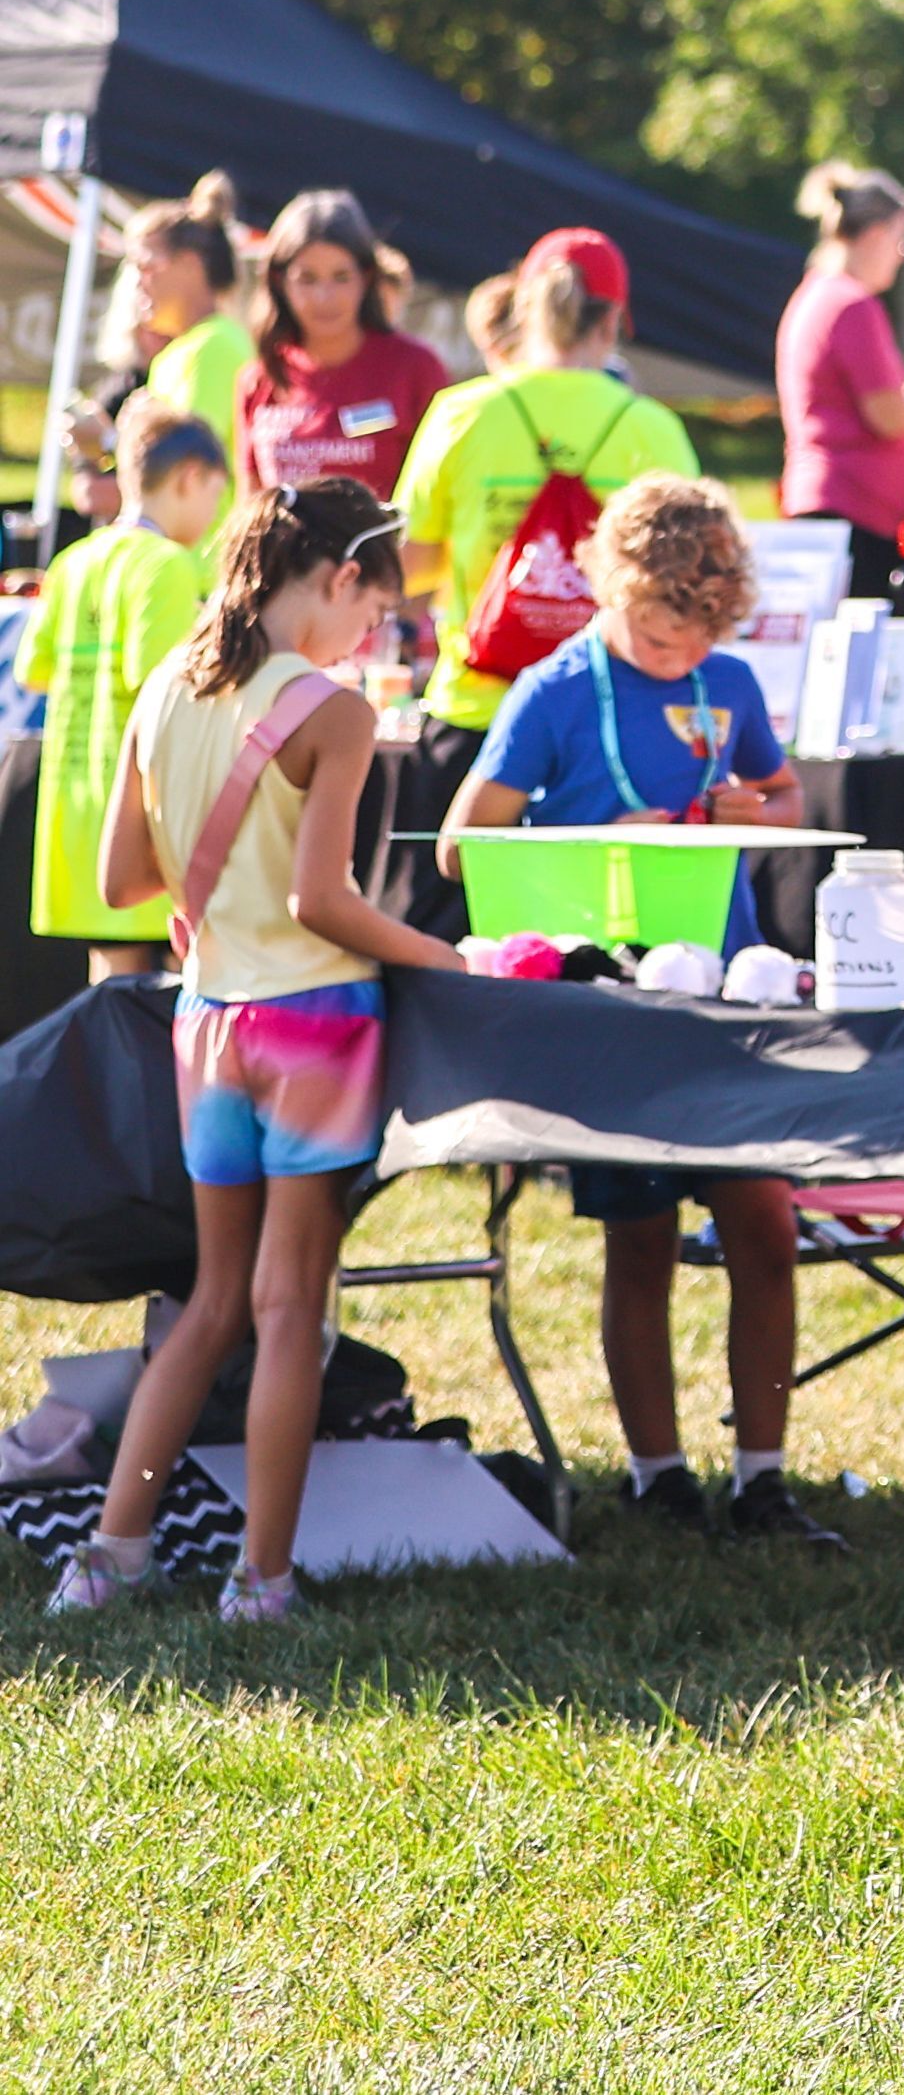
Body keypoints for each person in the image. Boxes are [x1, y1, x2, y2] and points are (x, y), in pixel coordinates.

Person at [52, 477, 468, 1622]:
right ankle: (261, 1576)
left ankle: (111, 1550)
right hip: (315, 1024)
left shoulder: (168, 688)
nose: (370, 640)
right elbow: (325, 899)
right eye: (376, 615)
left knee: (210, 1304)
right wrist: (442, 960)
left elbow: (120, 885)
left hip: (209, 1019)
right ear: (341, 580)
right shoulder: (331, 709)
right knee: (291, 1307)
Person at [448, 475, 844, 1551]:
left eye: (701, 635)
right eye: (667, 630)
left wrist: (749, 809)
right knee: (641, 1236)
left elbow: (788, 797)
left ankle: (762, 1477)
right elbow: (458, 843)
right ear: (618, 583)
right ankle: (656, 1471)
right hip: (612, 1008)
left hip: (726, 995)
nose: (681, 655)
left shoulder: (730, 679)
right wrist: (588, 844)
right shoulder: (553, 690)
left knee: (765, 1220)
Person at [395, 229, 699, 745]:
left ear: (525, 311)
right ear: (611, 322)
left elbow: (407, 566)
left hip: (479, 710)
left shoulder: (461, 414)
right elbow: (688, 582)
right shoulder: (653, 428)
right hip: (608, 719)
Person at [23, 413, 227, 979]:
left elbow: (32, 669)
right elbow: (161, 685)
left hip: (73, 801)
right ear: (190, 478)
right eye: (216, 493)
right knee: (160, 995)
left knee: (109, 985)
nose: (215, 516)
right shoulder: (167, 563)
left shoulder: (74, 560)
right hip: (140, 808)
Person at [780, 162, 904, 607]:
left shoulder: (818, 293)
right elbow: (888, 415)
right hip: (848, 509)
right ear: (874, 235)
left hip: (834, 506)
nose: (901, 254)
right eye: (900, 241)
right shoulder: (850, 304)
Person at [228, 191, 448, 502]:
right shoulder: (259, 380)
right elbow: (248, 508)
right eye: (307, 278)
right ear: (278, 281)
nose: (324, 297)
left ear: (367, 277)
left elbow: (441, 499)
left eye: (341, 277)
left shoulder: (415, 368)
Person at [111, 198, 253, 459]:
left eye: (147, 267)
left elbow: (187, 465)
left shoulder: (214, 346)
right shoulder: (174, 354)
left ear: (190, 265)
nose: (136, 283)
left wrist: (109, 439)